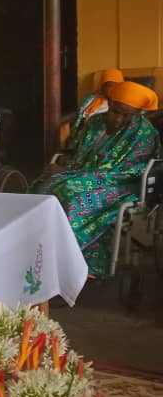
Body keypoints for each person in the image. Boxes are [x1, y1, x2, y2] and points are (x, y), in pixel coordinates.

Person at [31, 81, 160, 277]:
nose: (119, 119)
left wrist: (71, 174)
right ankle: (34, 251)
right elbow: (77, 151)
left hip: (122, 184)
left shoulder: (143, 133)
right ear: (109, 103)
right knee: (42, 186)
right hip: (82, 175)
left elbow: (128, 171)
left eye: (127, 115)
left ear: (137, 114)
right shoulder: (95, 122)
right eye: (115, 111)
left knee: (73, 197)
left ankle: (71, 264)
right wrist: (67, 166)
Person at [70, 68, 124, 136]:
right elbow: (80, 115)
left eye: (116, 85)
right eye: (108, 85)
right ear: (102, 86)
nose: (112, 88)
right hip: (86, 132)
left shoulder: (124, 104)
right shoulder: (91, 99)